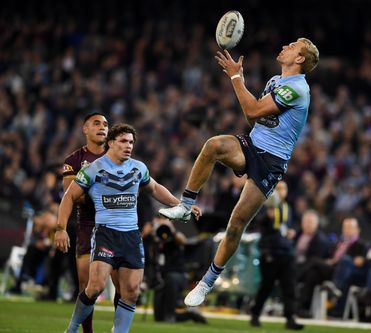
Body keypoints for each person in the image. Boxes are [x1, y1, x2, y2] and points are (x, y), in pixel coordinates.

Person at [158, 38, 319, 307]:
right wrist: (240, 82)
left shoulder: (298, 89)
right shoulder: (275, 80)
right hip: (253, 144)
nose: (285, 46)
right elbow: (252, 118)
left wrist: (236, 77)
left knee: (235, 225)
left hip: (272, 161)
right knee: (214, 145)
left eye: (292, 46)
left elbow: (252, 109)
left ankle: (206, 282)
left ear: (300, 59)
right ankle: (186, 205)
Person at [54, 124, 202, 333]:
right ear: (111, 142)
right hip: (106, 233)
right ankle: (71, 329)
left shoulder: (138, 168)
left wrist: (181, 205)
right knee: (95, 287)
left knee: (131, 292)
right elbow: (69, 196)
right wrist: (60, 228)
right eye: (123, 141)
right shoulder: (94, 169)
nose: (128, 146)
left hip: (131, 237)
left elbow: (155, 189)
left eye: (131, 142)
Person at [60, 112, 111, 332]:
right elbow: (72, 195)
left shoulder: (117, 155)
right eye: (97, 123)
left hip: (115, 224)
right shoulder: (73, 161)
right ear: (85, 129)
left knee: (124, 286)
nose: (102, 127)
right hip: (87, 225)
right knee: (87, 285)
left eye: (106, 124)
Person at [250, 180, 304, 330]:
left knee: (289, 287)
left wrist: (292, 232)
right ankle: (255, 314)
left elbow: (289, 225)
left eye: (283, 189)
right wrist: (267, 217)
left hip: (286, 252)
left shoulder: (288, 208)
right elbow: (257, 223)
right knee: (266, 286)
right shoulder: (265, 206)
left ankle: (290, 318)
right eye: (278, 188)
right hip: (270, 252)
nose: (281, 192)